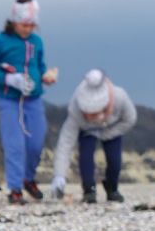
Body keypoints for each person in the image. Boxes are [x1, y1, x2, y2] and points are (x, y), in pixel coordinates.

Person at [0, 0, 58, 205]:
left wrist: (46, 77)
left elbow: (39, 66)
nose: (28, 29)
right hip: (9, 99)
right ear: (14, 21)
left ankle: (28, 178)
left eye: (32, 25)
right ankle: (14, 188)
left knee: (35, 143)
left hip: (34, 99)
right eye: (24, 25)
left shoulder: (37, 42)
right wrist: (8, 79)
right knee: (14, 144)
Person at [51, 69, 138, 203]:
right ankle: (89, 190)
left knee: (115, 161)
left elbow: (130, 120)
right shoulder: (75, 112)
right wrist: (59, 176)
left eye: (96, 113)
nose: (93, 117)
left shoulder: (120, 97)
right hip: (87, 131)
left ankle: (112, 188)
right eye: (89, 114)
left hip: (112, 129)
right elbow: (65, 144)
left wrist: (106, 134)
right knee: (85, 156)